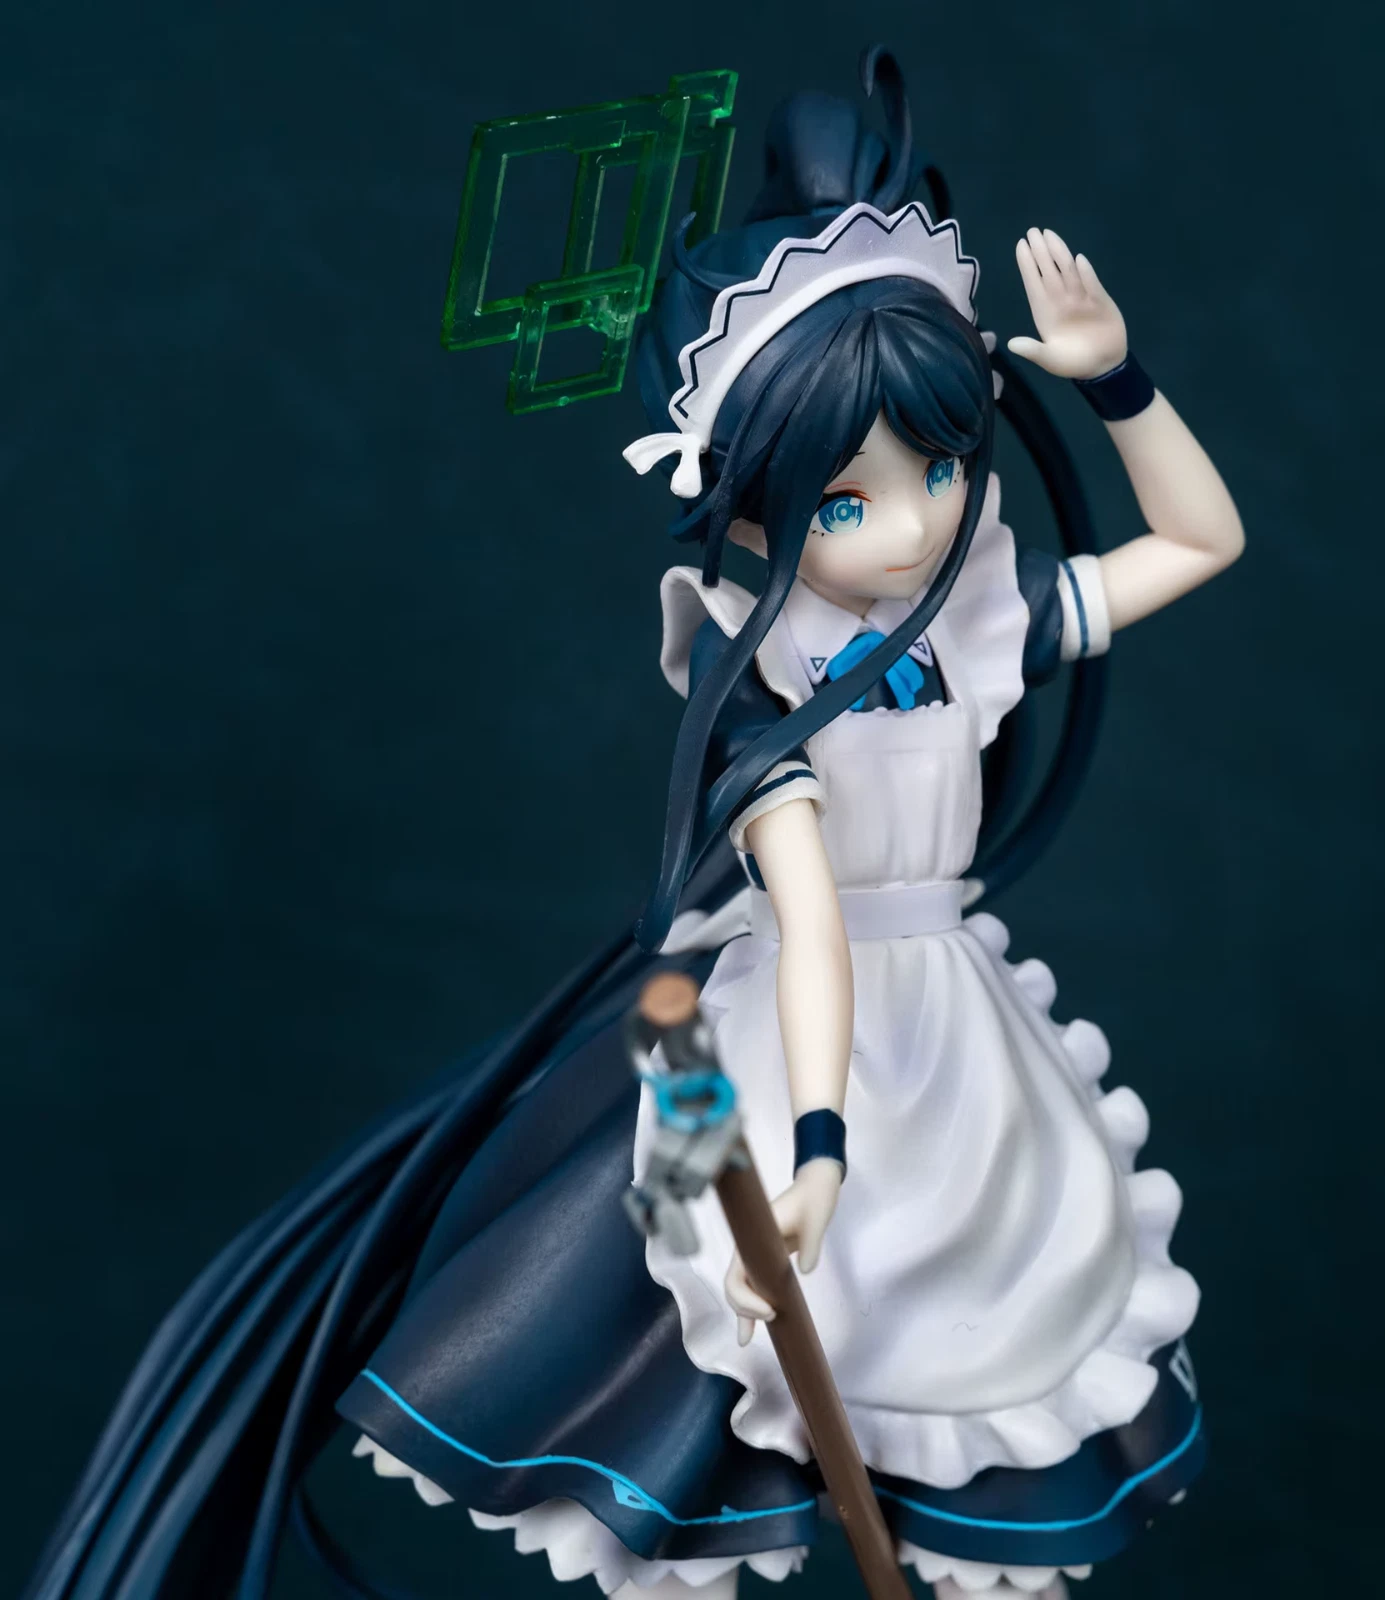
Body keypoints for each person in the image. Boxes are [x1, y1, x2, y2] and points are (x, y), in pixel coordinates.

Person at [24, 53, 1242, 1600]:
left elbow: (1202, 537)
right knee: (716, 1377)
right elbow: (812, 931)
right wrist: (819, 1149)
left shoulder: (978, 620)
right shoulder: (760, 689)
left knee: (993, 1368)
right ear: (756, 506)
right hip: (800, 1045)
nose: (913, 524)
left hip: (960, 1036)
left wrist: (1117, 381)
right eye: (847, 501)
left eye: (938, 469)